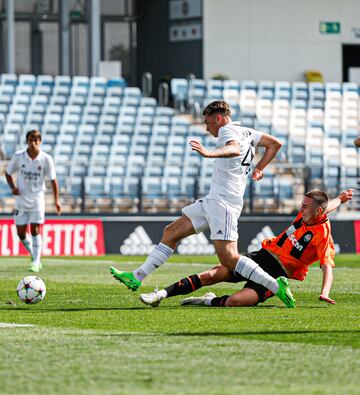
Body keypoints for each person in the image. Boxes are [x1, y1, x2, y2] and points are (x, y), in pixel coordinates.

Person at [110, 100, 296, 308]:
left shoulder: (227, 131)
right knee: (171, 232)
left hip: (224, 203)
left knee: (229, 259)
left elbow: (233, 149)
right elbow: (275, 144)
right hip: (213, 200)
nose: (207, 129)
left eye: (208, 123)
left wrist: (210, 153)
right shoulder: (248, 132)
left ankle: (275, 285)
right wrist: (260, 168)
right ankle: (136, 276)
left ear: (218, 118)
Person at [139, 189, 354, 308]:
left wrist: (324, 292)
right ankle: (161, 294)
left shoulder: (323, 235)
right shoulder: (308, 213)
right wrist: (340, 199)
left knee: (237, 301)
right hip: (262, 257)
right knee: (214, 273)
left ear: (317, 211)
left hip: (278, 275)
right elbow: (328, 206)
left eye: (305, 206)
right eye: (302, 205)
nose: (301, 209)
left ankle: (207, 300)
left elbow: (327, 267)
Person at [5, 129, 61, 272]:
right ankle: (33, 254)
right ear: (27, 141)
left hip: (37, 199)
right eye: (31, 140)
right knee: (21, 233)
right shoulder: (19, 156)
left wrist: (57, 201)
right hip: (21, 200)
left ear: (40, 141)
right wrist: (13, 188)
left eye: (36, 140)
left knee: (35, 230)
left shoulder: (46, 159)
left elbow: (53, 180)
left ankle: (36, 261)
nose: (34, 143)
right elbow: (8, 172)